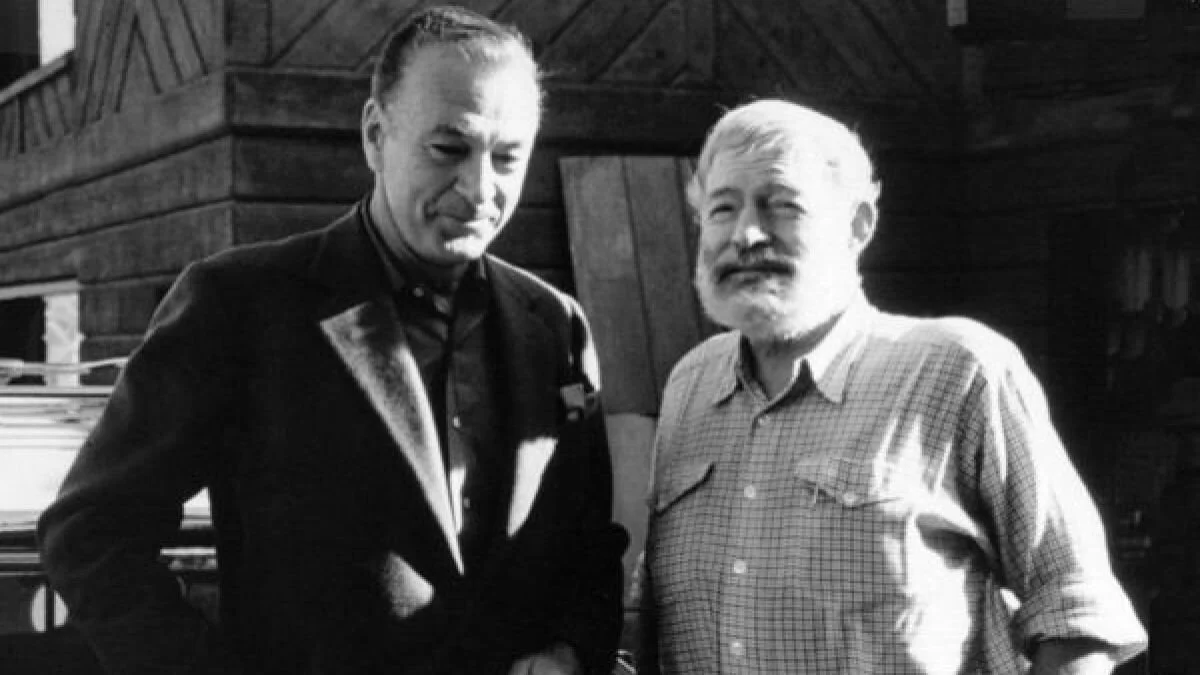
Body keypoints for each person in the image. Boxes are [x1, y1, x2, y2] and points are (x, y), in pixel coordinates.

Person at [38, 7, 627, 675]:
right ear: (375, 135)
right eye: (448, 149)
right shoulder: (240, 306)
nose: (480, 188)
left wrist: (568, 650)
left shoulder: (554, 326)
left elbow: (589, 548)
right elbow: (91, 533)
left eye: (507, 157)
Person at [637, 99, 1147, 674]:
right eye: (722, 209)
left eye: (782, 206)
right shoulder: (690, 386)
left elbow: (1074, 616)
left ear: (858, 225)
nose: (747, 235)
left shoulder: (959, 370)